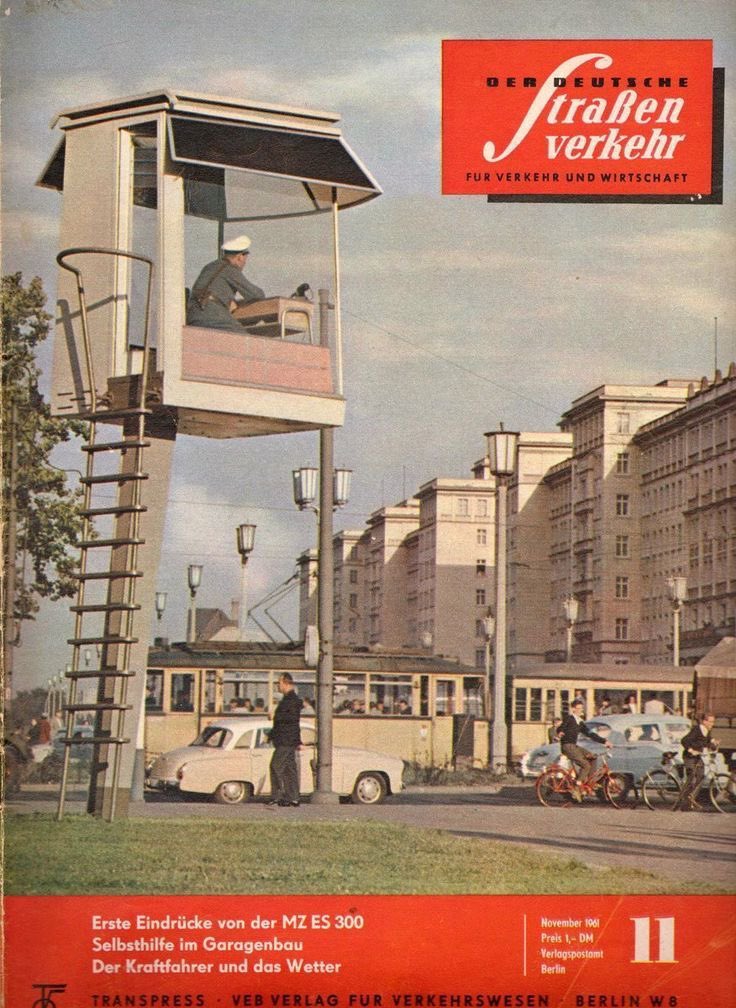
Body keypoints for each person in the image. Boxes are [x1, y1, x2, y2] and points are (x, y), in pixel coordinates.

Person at [186, 235, 265, 332]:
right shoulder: (230, 270)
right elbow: (257, 295)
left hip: (193, 315)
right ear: (240, 257)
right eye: (245, 259)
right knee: (243, 337)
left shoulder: (210, 267)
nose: (244, 263)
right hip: (211, 314)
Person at [556, 697, 612, 800]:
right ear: (573, 709)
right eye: (579, 708)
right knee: (586, 765)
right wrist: (560, 732)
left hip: (574, 746)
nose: (581, 710)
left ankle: (590, 783)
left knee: (593, 757)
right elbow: (561, 727)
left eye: (582, 708)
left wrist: (605, 741)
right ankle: (577, 787)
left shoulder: (580, 722)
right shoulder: (569, 718)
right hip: (567, 746)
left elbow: (590, 734)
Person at [267, 673, 303, 808]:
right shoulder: (289, 699)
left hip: (285, 740)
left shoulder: (291, 700)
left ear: (286, 683)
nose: (278, 685)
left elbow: (290, 721)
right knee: (289, 769)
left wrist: (274, 715)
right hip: (288, 740)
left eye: (279, 683)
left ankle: (277, 796)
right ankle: (293, 797)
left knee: (275, 766)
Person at [673, 712, 719, 811]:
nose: (712, 724)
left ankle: (689, 800)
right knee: (692, 778)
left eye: (713, 722)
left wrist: (713, 742)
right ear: (704, 721)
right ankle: (684, 802)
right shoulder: (696, 729)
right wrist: (691, 750)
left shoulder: (707, 730)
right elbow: (684, 740)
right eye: (710, 722)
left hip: (699, 757)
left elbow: (707, 740)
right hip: (689, 757)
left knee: (701, 776)